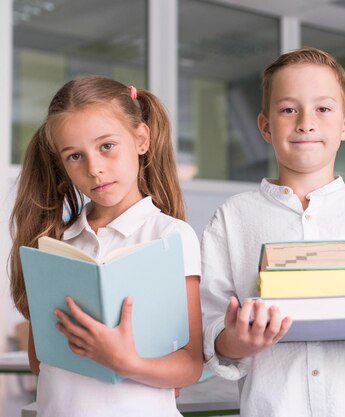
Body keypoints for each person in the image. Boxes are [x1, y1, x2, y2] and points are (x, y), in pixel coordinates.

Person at [200, 47, 345, 417]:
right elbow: (211, 327)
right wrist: (234, 340)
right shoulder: (232, 219)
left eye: (323, 109)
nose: (305, 122)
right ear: (265, 126)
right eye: (288, 109)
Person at [8, 76, 203, 417]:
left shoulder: (172, 236)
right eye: (74, 156)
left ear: (141, 139)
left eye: (107, 146)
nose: (94, 168)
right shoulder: (56, 243)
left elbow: (189, 365)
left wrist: (126, 363)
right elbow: (41, 361)